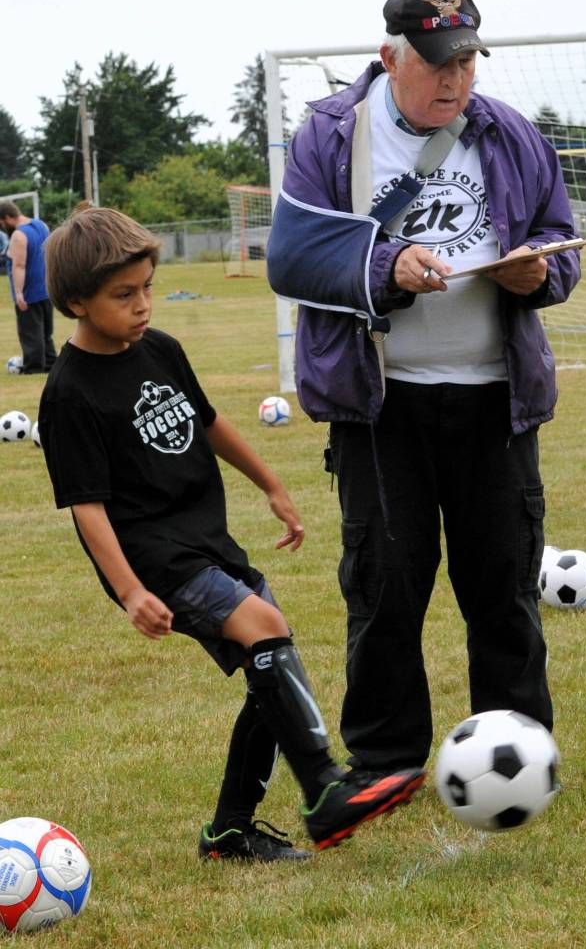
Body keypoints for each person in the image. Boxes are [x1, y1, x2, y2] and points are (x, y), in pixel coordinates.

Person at [38, 206, 424, 862]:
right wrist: (130, 591)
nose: (143, 306)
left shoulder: (160, 350)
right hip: (156, 562)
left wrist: (270, 484)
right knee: (266, 633)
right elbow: (88, 508)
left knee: (267, 665)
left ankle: (229, 832)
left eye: (148, 288)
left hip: (205, 540)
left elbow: (209, 421)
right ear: (76, 301)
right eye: (123, 295)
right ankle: (325, 790)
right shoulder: (69, 393)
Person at [268, 0, 581, 780]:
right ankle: (385, 758)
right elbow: (293, 256)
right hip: (381, 406)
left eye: (467, 62)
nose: (454, 79)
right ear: (388, 57)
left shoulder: (509, 134)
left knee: (503, 585)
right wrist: (387, 264)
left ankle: (514, 747)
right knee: (384, 588)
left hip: (493, 400)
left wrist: (533, 276)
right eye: (438, 63)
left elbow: (559, 238)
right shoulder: (329, 136)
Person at [0, 200, 56, 373]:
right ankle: (50, 363)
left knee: (31, 334)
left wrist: (18, 293)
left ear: (7, 218)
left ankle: (33, 367)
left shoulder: (19, 235)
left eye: (1, 223)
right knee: (45, 333)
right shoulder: (42, 225)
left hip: (29, 292)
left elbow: (19, 266)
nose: (2, 227)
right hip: (46, 290)